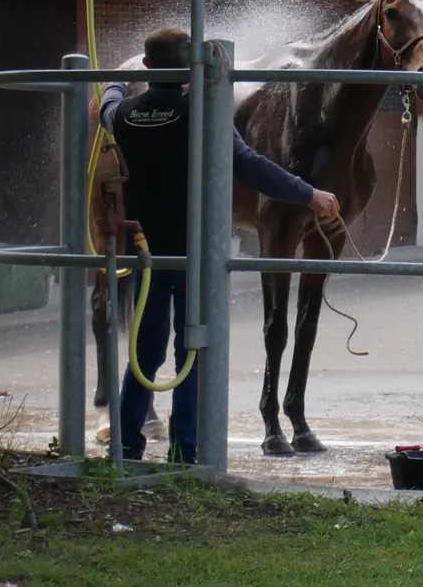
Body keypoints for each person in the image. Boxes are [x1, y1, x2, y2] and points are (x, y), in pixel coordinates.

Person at [99, 27, 341, 464]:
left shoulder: (126, 114)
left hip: (146, 249)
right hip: (194, 250)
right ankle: (184, 450)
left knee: (145, 348)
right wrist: (310, 194)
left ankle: (128, 446)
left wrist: (115, 79)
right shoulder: (203, 115)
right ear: (190, 66)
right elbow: (249, 165)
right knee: (191, 348)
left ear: (148, 68)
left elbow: (108, 103)